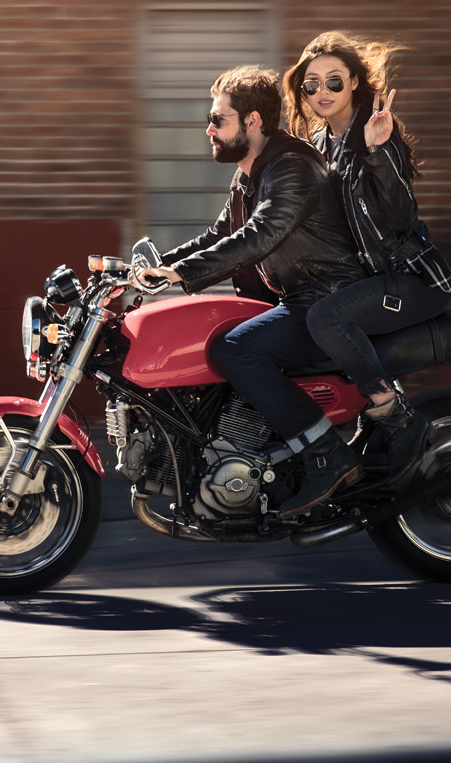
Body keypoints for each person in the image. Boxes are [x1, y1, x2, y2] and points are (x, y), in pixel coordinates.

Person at [135, 65, 368, 518]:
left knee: (233, 348)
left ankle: (327, 454)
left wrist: (179, 274)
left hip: (327, 300)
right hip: (299, 300)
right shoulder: (251, 175)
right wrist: (155, 267)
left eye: (218, 120)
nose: (209, 129)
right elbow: (219, 234)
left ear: (253, 121)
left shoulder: (292, 169)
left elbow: (259, 236)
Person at [283, 32, 451, 490]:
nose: (322, 93)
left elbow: (402, 217)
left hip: (411, 280)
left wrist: (379, 150)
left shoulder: (377, 132)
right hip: (368, 281)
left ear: (356, 83)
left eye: (334, 83)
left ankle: (397, 416)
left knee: (328, 319)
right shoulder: (319, 145)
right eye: (311, 85)